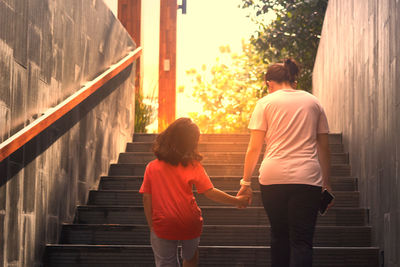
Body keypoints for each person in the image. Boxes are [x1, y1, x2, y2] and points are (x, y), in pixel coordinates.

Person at [236, 58, 334, 267]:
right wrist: (327, 184)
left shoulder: (265, 103)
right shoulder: (313, 102)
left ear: (269, 83)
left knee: (279, 236)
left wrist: (245, 183)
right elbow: (324, 147)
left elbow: (254, 148)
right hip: (308, 179)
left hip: (273, 178)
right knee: (302, 241)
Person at [140, 117, 249, 267]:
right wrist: (237, 201)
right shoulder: (193, 166)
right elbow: (209, 191)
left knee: (166, 262)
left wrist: (151, 225)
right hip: (189, 221)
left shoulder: (152, 167)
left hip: (163, 222)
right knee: (190, 259)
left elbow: (147, 198)